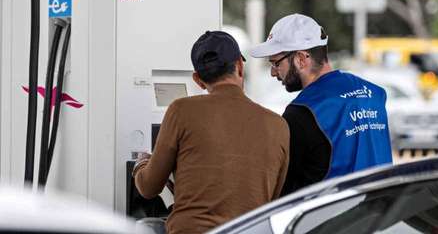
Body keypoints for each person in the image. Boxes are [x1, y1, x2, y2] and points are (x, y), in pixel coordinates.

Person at [133, 31, 290, 234]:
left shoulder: (181, 110)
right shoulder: (278, 125)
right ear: (240, 67)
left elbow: (148, 187)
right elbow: (270, 197)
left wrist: (141, 163)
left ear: (198, 79)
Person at [249, 14, 392, 196]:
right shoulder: (374, 94)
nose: (273, 73)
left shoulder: (303, 111)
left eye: (276, 63)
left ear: (301, 58)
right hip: (381, 213)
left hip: (332, 218)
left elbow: (288, 191)